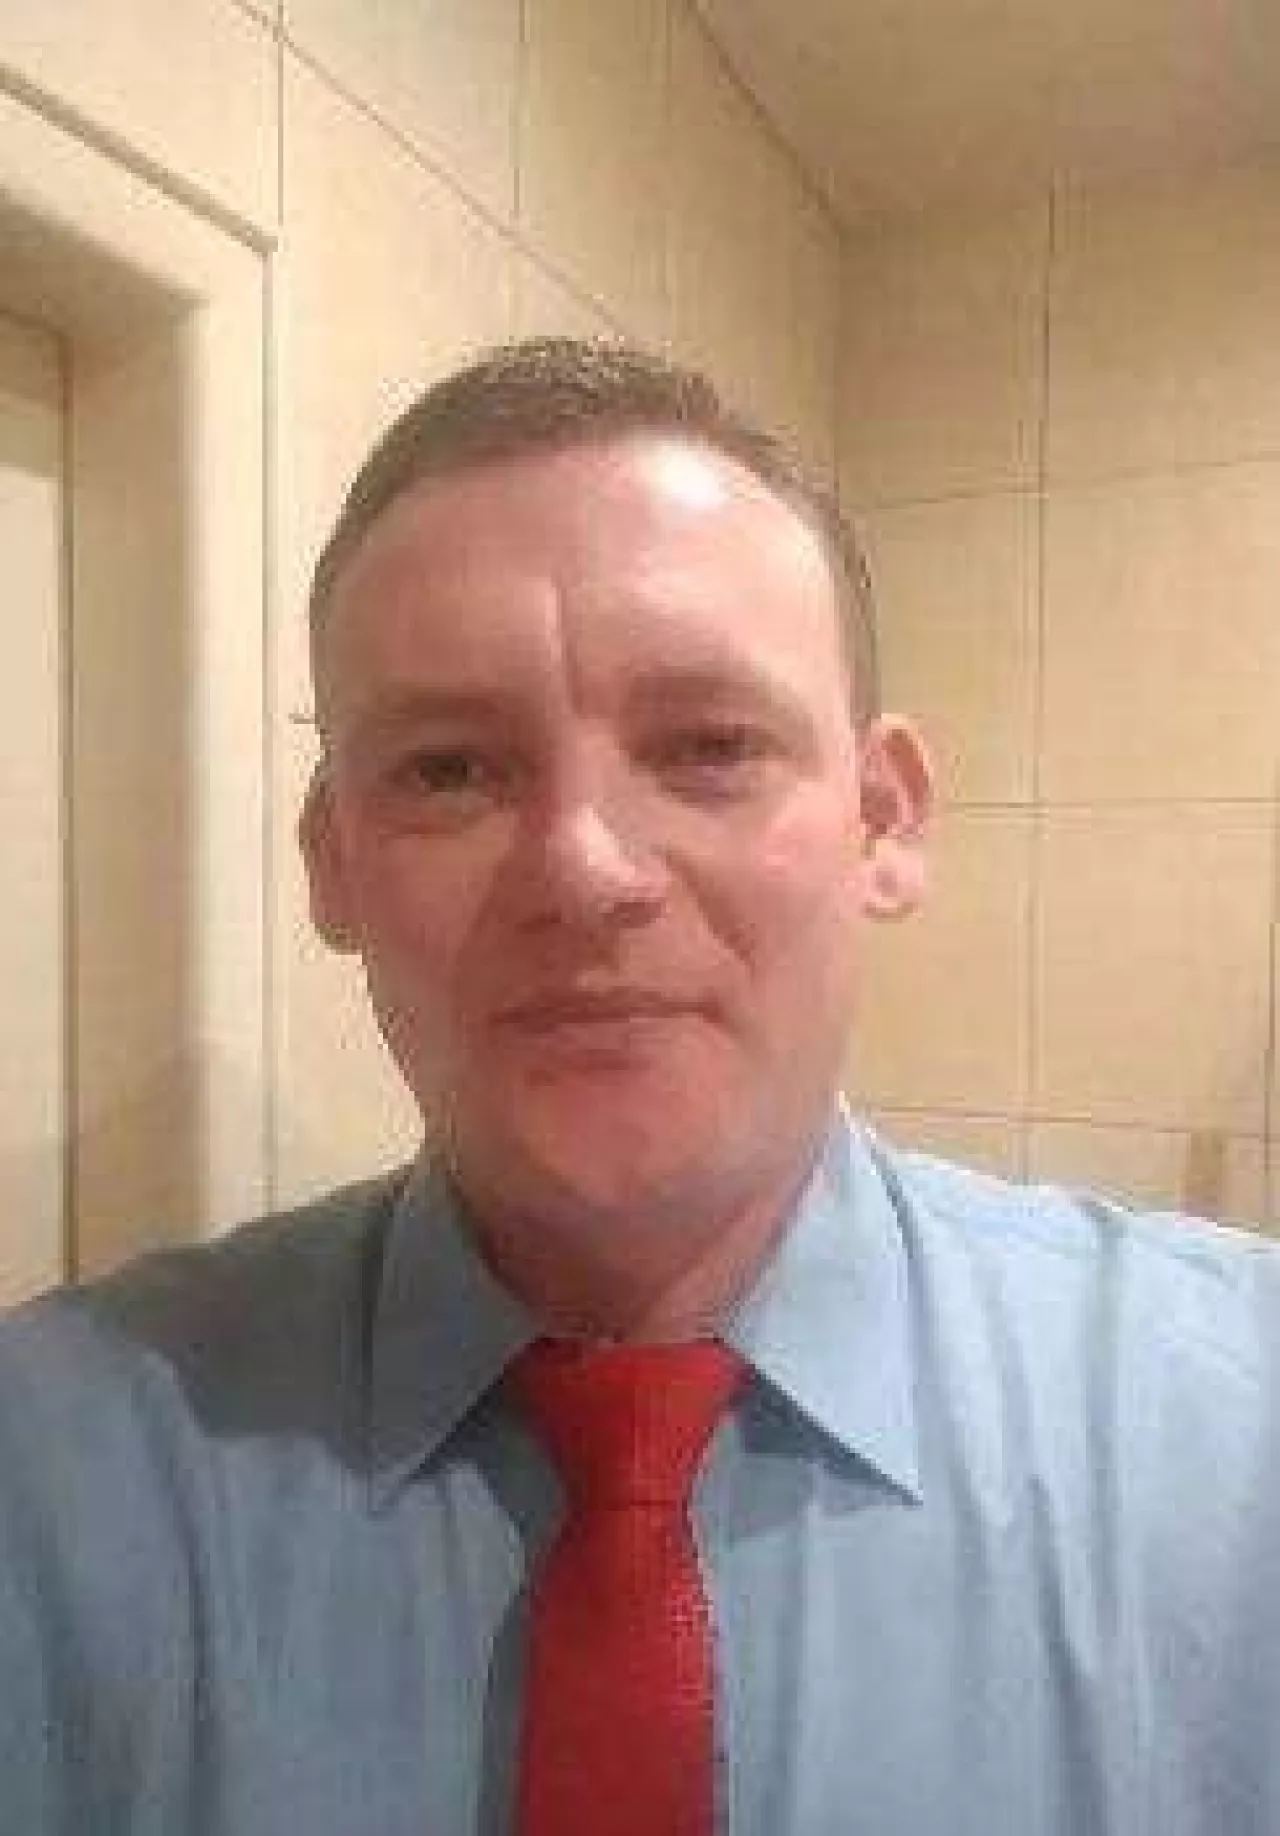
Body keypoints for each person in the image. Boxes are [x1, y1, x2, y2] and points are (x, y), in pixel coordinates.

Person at [1, 336, 1278, 1836]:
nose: (584, 868)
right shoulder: (52, 1470)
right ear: (332, 862)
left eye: (711, 747)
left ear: (882, 820)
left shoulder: (1241, 1438)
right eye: (449, 770)